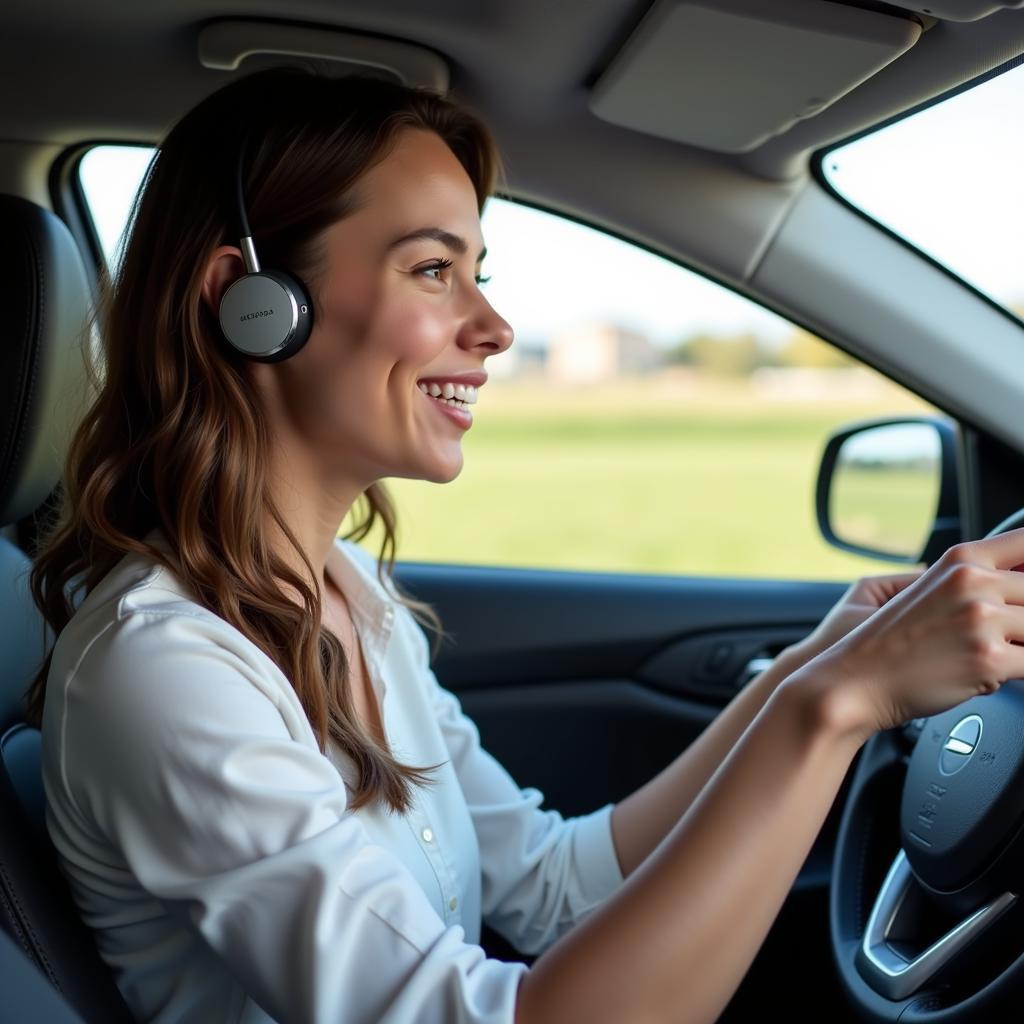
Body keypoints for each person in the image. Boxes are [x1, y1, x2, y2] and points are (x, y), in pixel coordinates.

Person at [23, 66, 1024, 1024]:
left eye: (477, 273)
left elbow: (557, 886)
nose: (495, 327)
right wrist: (837, 704)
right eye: (432, 270)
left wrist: (817, 660)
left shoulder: (348, 588)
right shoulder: (163, 668)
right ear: (250, 303)